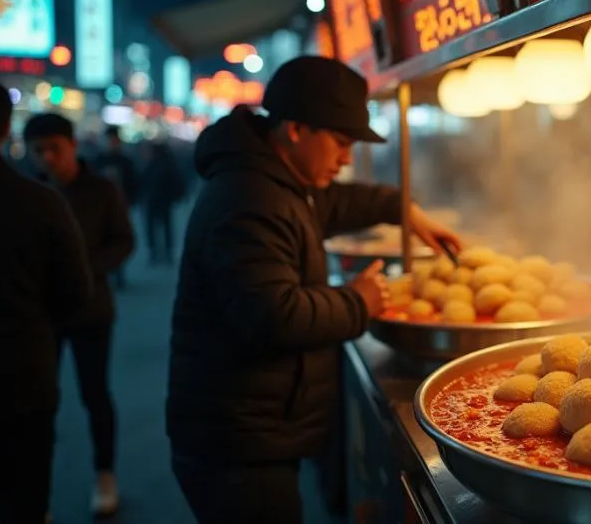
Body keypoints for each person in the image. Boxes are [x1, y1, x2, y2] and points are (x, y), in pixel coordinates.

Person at [167, 56, 461, 523]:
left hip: (253, 430)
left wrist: (402, 209)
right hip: (235, 444)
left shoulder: (275, 181)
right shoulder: (249, 198)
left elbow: (332, 202)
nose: (346, 158)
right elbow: (270, 315)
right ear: (296, 130)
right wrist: (358, 300)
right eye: (341, 142)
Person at [0, 74, 93, 524]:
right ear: (6, 130)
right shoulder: (40, 201)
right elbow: (76, 293)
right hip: (20, 369)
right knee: (21, 500)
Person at [23, 113, 136, 517]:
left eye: (54, 148)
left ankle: (105, 474)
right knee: (38, 402)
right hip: (41, 314)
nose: (47, 158)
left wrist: (85, 269)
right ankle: (36, 494)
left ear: (72, 145)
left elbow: (123, 240)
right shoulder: (27, 191)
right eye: (39, 151)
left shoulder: (101, 189)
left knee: (95, 395)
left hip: (91, 309)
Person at [93, 126, 139, 288]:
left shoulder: (125, 162)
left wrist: (131, 200)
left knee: (118, 239)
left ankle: (118, 273)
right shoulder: (98, 160)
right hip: (100, 208)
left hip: (122, 206)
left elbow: (134, 183)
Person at [141, 140, 186, 266]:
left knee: (155, 228)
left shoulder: (152, 164)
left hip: (156, 201)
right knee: (165, 228)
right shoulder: (166, 163)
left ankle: (156, 252)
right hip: (162, 201)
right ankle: (164, 253)